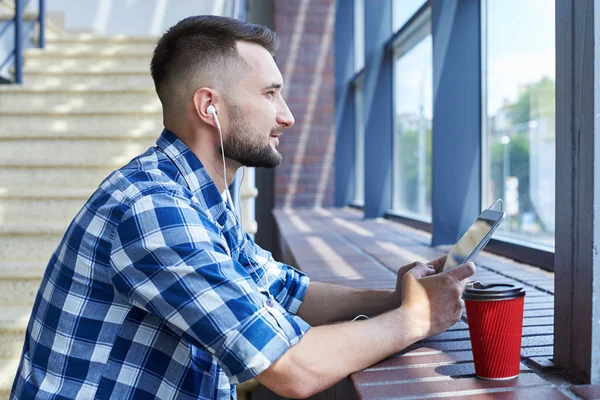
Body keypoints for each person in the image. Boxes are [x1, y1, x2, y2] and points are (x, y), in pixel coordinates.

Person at [11, 15, 475, 400]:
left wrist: (395, 297)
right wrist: (416, 319)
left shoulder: (199, 195)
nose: (287, 115)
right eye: (270, 94)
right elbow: (293, 369)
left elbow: (282, 289)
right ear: (209, 107)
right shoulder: (153, 209)